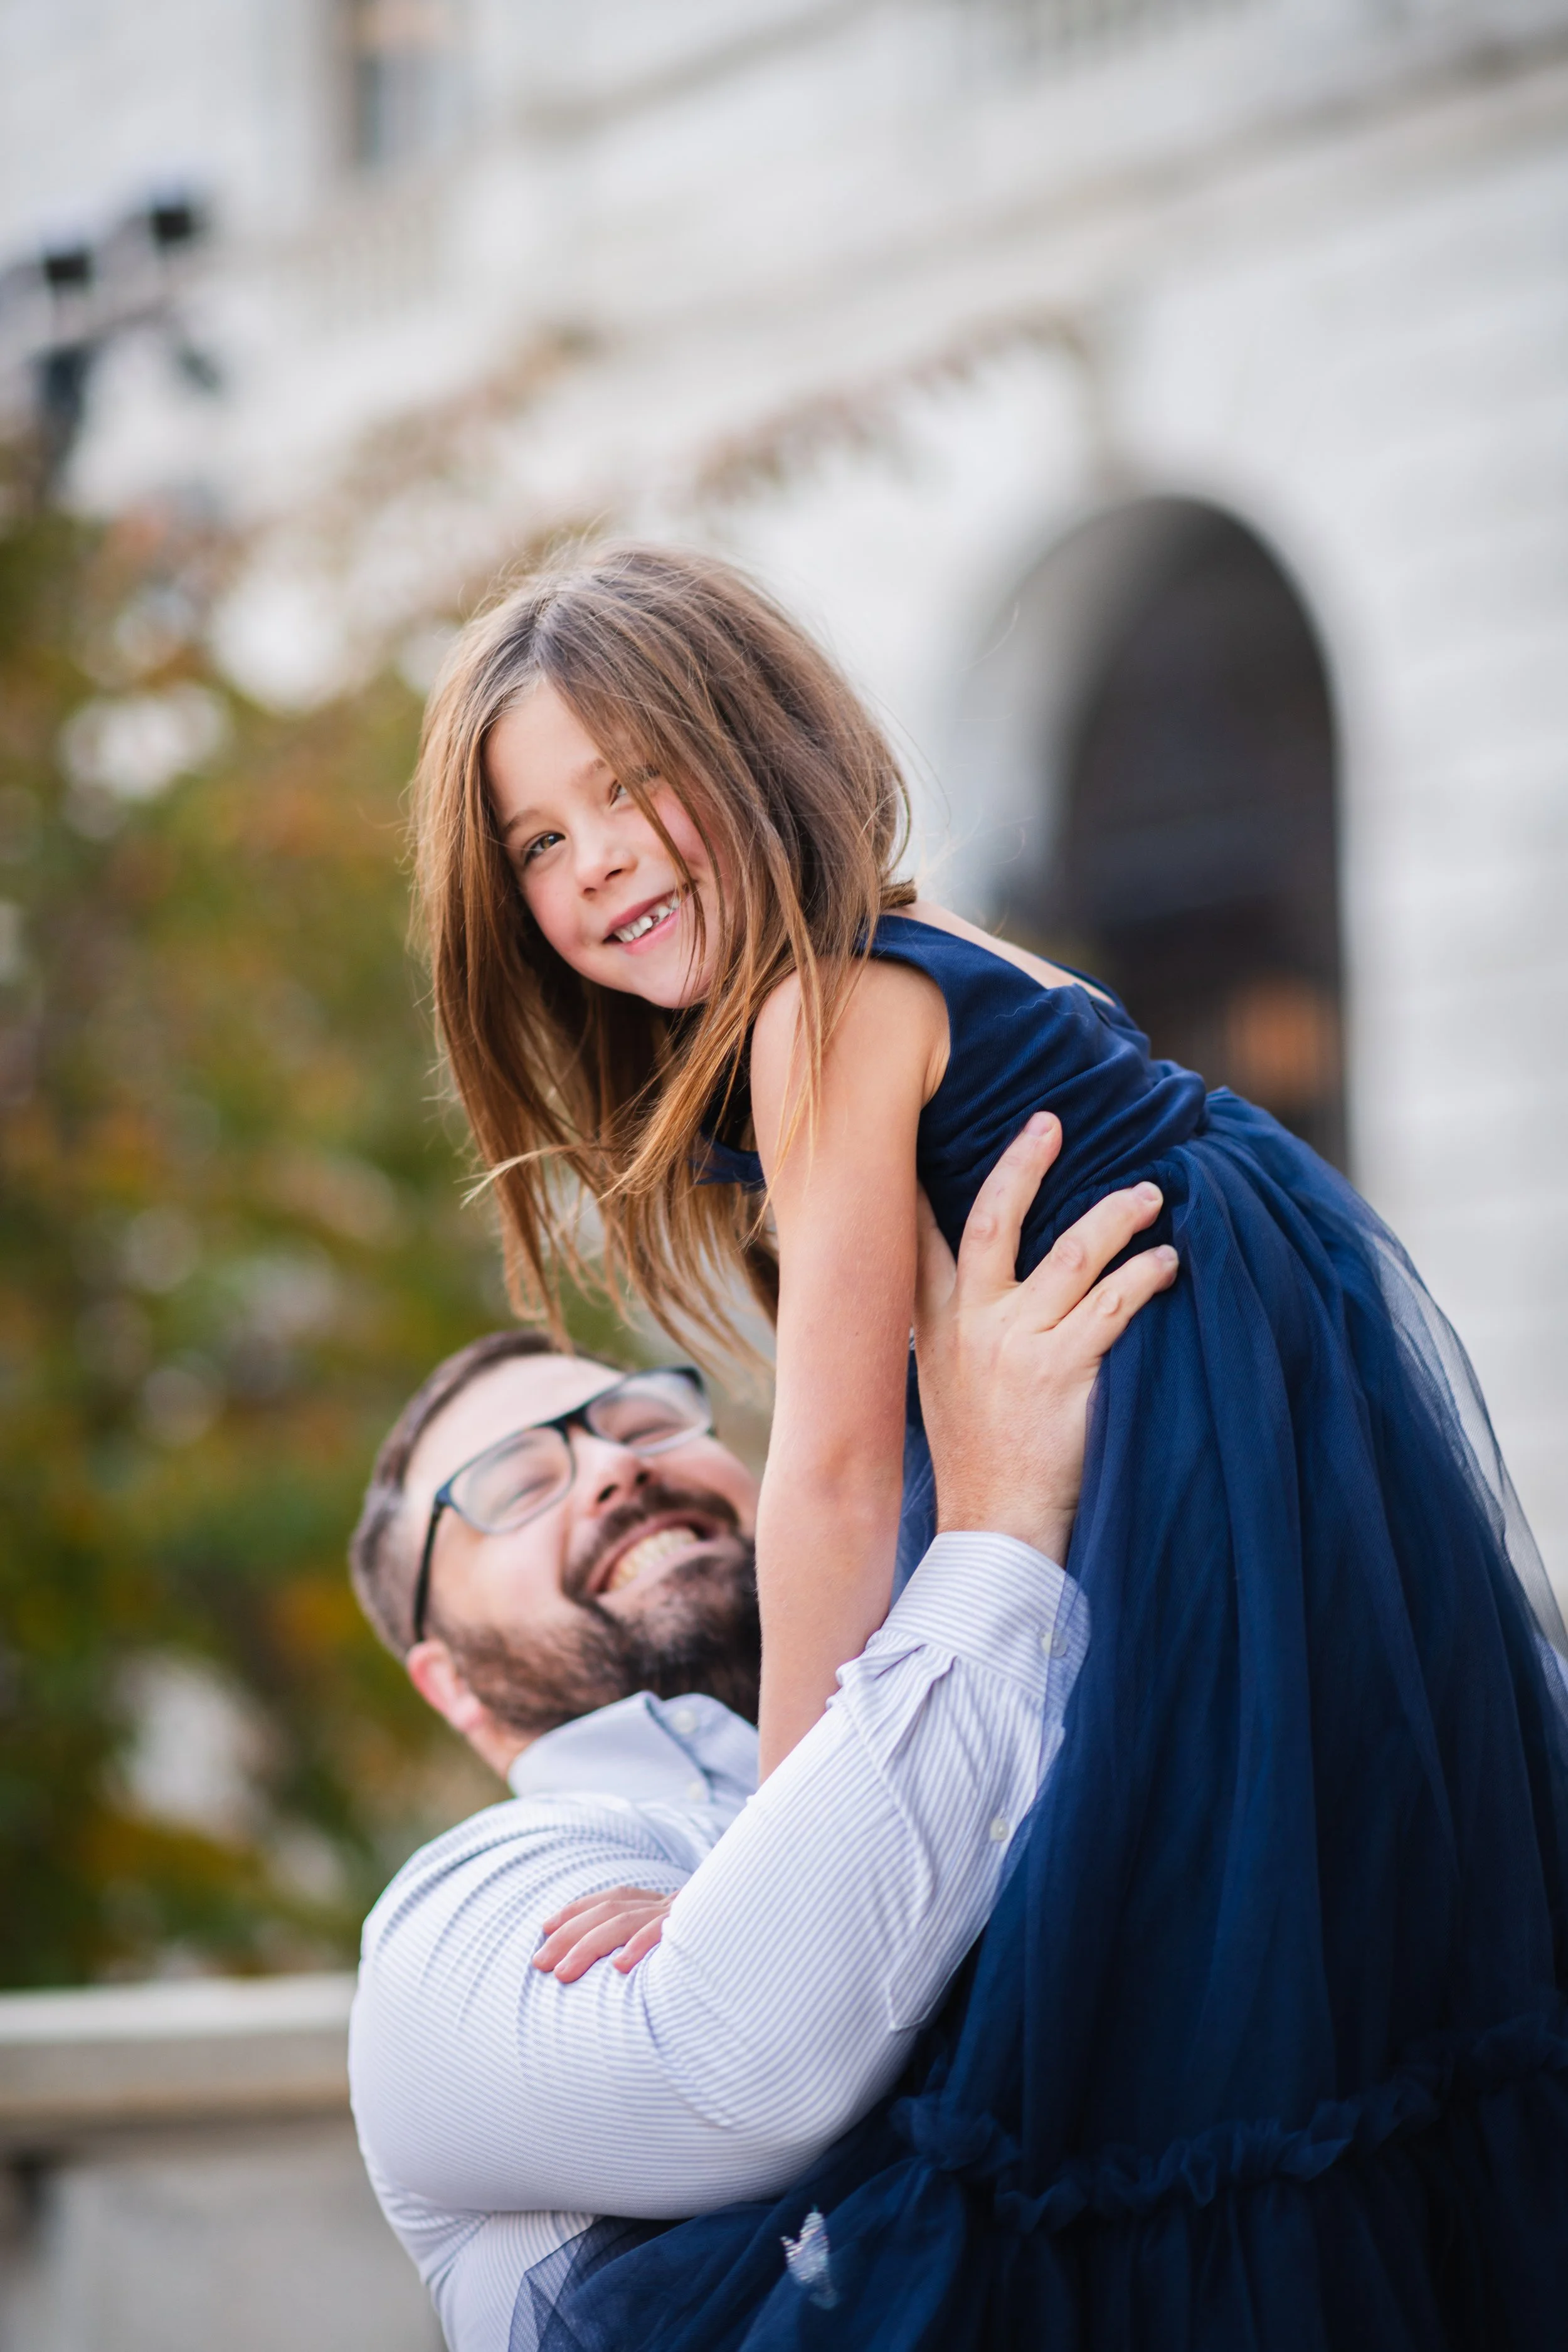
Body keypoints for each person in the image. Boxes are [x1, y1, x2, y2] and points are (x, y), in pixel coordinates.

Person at [406, 539, 1568, 2349]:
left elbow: (836, 1465)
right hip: (1240, 1436)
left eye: (633, 788)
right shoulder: (910, 958)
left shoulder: (820, 1007)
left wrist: (763, 1865)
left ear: (759, 753)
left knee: (1132, 2049)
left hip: (1182, 1455)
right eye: (540, 841)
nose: (598, 858)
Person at [348, 1121, 1173, 2352]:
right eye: (514, 1485)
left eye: (637, 1421)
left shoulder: (1028, 1696)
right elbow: (738, 2065)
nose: (609, 1474)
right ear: (449, 1682)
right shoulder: (457, 1918)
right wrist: (997, 1524)